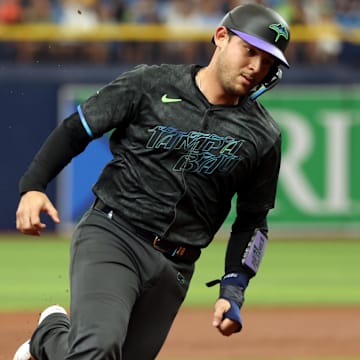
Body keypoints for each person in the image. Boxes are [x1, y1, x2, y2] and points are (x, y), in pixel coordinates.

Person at [14, 3, 290, 360]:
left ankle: (51, 337)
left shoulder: (262, 135)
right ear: (221, 37)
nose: (256, 67)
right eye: (250, 51)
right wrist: (33, 186)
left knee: (97, 354)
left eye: (268, 61)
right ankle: (49, 337)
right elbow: (76, 130)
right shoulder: (150, 83)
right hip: (115, 235)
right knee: (97, 350)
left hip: (176, 265)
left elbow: (254, 220)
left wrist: (233, 289)